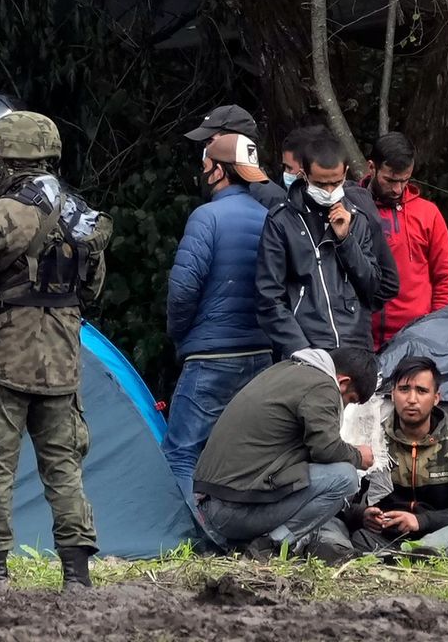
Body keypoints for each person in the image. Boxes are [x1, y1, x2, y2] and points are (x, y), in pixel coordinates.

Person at [0, 111, 113, 592]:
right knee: (65, 468)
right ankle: (77, 576)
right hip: (62, 360)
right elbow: (93, 289)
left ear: (6, 156)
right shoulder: (83, 217)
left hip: (1, 359)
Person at [164, 133, 274, 496]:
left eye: (205, 166)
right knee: (241, 455)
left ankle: (186, 531)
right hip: (260, 355)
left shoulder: (206, 218)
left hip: (211, 356)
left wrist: (179, 335)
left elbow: (183, 290)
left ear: (217, 171)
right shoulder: (269, 218)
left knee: (181, 453)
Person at [193, 347, 377, 557]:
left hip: (209, 503)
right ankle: (271, 546)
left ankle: (248, 544)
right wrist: (358, 456)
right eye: (350, 400)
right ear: (343, 382)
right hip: (230, 512)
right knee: (345, 478)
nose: (345, 407)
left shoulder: (285, 370)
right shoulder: (323, 386)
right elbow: (326, 449)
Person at [327, 357, 448, 557]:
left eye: (422, 391)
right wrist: (362, 515)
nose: (412, 399)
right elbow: (342, 503)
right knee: (332, 523)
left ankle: (414, 555)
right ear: (393, 393)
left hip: (436, 534)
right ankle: (343, 554)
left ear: (436, 398)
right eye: (404, 389)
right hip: (379, 537)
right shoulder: (372, 440)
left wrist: (420, 521)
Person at [255, 134, 383, 358]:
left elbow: (372, 286)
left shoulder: (357, 218)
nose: (329, 190)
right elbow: (269, 296)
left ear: (345, 174)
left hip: (355, 347)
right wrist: (299, 348)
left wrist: (345, 240)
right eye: (320, 184)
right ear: (304, 174)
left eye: (335, 182)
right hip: (306, 346)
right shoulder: (282, 221)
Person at [282, 125, 400, 317]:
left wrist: (354, 315)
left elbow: (387, 282)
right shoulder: (287, 213)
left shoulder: (358, 206)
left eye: (289, 168)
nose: (286, 174)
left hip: (351, 332)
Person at [363, 133, 448, 349]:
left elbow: (446, 281)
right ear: (372, 168)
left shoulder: (428, 214)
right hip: (361, 337)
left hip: (417, 338)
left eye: (404, 180)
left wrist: (437, 334)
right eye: (390, 180)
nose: (397, 189)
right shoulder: (351, 207)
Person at [184, 104, 287, 209]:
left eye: (211, 142)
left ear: (237, 141)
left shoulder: (270, 197)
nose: (207, 150)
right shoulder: (217, 189)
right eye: (205, 143)